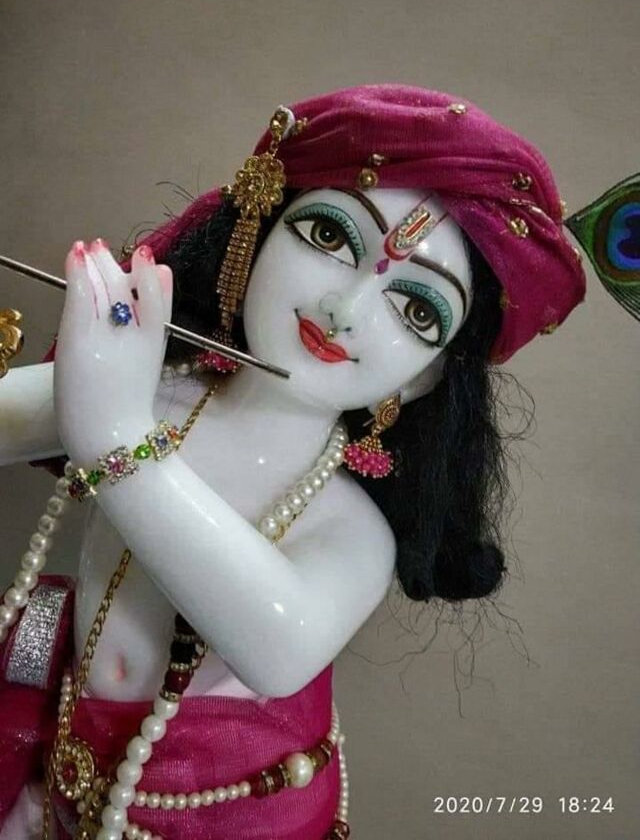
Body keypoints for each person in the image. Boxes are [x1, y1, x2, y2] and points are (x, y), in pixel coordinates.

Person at [0, 84, 586, 840]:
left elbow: (279, 648)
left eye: (417, 309)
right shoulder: (149, 386)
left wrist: (113, 430)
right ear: (257, 227)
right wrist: (95, 395)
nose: (345, 310)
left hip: (226, 811)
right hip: (53, 769)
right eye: (331, 236)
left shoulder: (350, 528)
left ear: (426, 377)